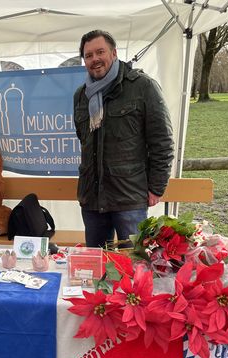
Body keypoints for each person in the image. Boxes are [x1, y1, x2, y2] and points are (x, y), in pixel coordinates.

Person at [73, 30, 175, 248]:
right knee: (96, 268)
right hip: (92, 200)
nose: (95, 59)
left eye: (100, 52)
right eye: (88, 55)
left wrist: (157, 188)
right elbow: (84, 140)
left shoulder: (142, 87)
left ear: (114, 53)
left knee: (135, 267)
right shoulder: (81, 96)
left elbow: (162, 142)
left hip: (129, 199)